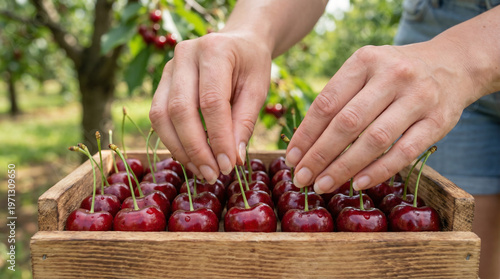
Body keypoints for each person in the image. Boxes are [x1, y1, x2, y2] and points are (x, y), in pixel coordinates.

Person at [149, 0, 500, 277]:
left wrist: (464, 61)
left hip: (458, 55)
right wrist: (249, 32)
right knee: (466, 257)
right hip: (440, 21)